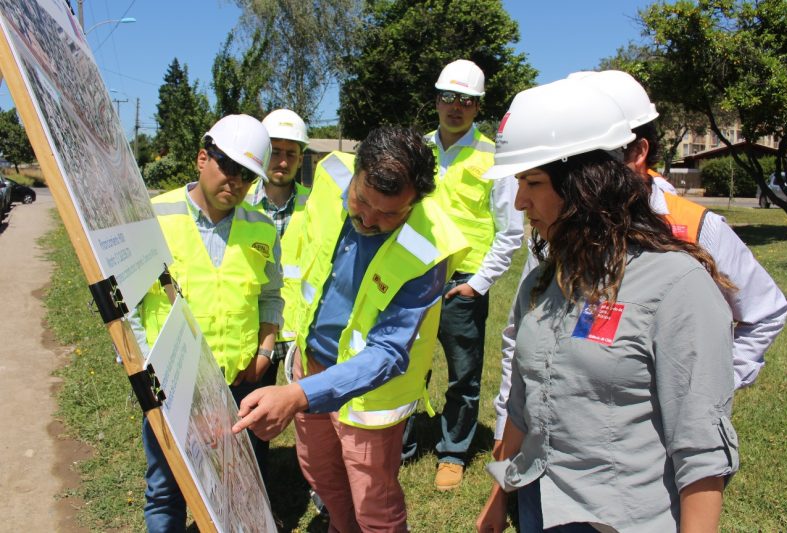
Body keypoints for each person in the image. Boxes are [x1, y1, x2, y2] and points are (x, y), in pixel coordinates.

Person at [477, 80, 740, 532]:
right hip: (538, 507)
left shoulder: (676, 286)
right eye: (518, 182)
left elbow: (700, 452)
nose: (520, 201)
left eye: (533, 182)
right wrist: (498, 498)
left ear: (587, 185)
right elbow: (524, 405)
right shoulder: (542, 283)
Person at [492, 70, 787, 446]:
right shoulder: (558, 226)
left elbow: (764, 312)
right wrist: (506, 428)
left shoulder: (693, 228)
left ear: (636, 152)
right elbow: (523, 333)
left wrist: (703, 390)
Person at [232, 126, 470, 532]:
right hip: (310, 364)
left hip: (370, 395)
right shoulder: (331, 177)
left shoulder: (429, 248)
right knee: (320, 474)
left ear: (416, 202)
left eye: (390, 214)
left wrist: (299, 394)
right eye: (361, 200)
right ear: (356, 173)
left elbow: (388, 352)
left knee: (374, 502)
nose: (368, 220)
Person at [131, 114, 283, 532]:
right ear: (203, 158)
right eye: (228, 166)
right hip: (171, 386)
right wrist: (145, 371)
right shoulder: (154, 217)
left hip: (238, 386)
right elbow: (130, 306)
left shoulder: (262, 229)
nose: (235, 182)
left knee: (234, 485)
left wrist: (265, 352)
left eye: (247, 175)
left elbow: (271, 296)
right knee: (167, 489)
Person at [403, 58, 523, 491]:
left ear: (478, 107)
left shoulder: (494, 157)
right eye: (449, 97)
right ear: (436, 100)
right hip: (412, 279)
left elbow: (511, 231)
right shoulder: (415, 149)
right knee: (404, 367)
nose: (456, 107)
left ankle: (452, 453)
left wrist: (478, 284)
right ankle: (400, 444)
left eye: (467, 100)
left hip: (463, 284)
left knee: (464, 376)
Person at [246, 108, 311, 383]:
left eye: (291, 154)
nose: (283, 162)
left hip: (302, 333)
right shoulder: (239, 205)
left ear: (300, 159)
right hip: (255, 330)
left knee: (307, 409)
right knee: (251, 405)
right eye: (275, 152)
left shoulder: (316, 205)